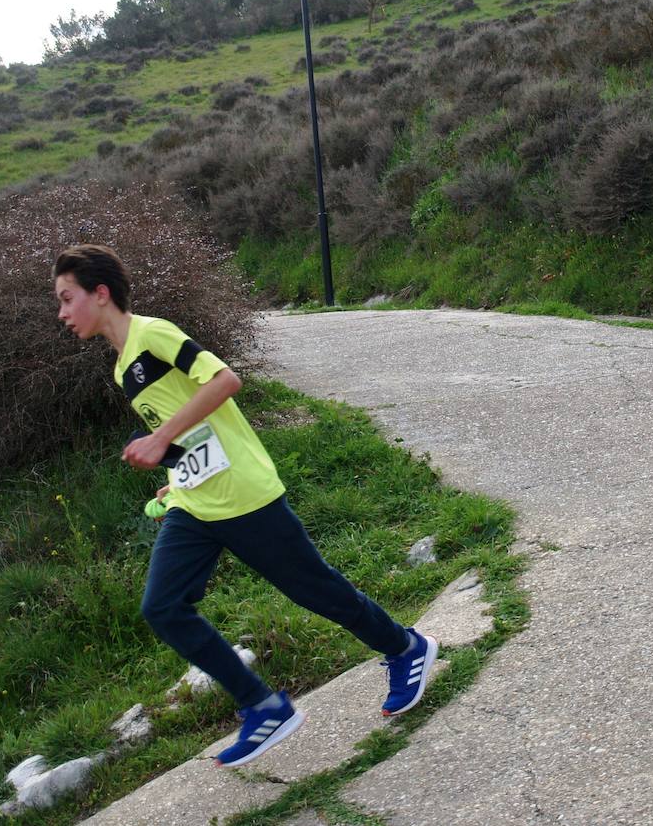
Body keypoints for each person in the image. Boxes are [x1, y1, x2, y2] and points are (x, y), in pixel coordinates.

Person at [52, 243, 437, 768]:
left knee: (316, 590)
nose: (62, 313)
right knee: (162, 608)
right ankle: (262, 705)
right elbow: (190, 427)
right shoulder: (123, 367)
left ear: (100, 294)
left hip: (245, 494)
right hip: (196, 503)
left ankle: (404, 647)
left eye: (67, 298)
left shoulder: (153, 334)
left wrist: (159, 436)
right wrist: (174, 470)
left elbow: (225, 381)